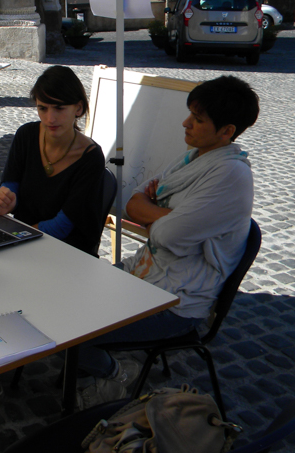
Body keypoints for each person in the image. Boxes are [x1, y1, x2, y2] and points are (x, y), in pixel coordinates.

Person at [77, 75, 260, 408]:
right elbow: (132, 203)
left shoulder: (230, 176)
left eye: (198, 119)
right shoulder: (192, 157)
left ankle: (117, 373)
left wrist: (161, 217)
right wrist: (169, 216)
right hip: (146, 273)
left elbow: (168, 235)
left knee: (73, 330)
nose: (185, 123)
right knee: (68, 299)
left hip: (178, 301)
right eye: (191, 114)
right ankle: (89, 362)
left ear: (227, 131)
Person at [0, 65, 106, 255]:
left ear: (78, 108)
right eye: (42, 108)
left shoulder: (91, 158)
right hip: (25, 242)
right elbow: (11, 183)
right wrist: (6, 199)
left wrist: (17, 237)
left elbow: (62, 227)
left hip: (69, 254)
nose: (50, 118)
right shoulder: (26, 135)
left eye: (59, 108)